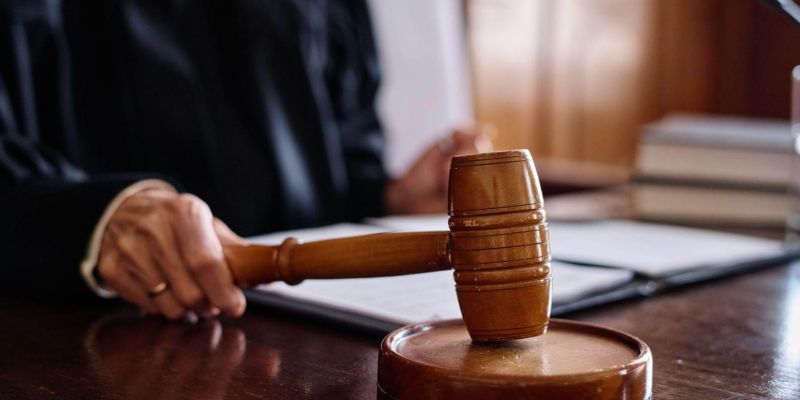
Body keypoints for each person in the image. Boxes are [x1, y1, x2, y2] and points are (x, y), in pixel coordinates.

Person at [0, 1, 490, 320]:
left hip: (316, 330)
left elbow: (342, 150)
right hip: (102, 331)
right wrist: (99, 217)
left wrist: (392, 196)